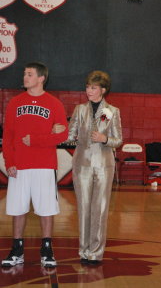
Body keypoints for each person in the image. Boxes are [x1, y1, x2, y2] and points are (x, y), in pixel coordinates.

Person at [1, 62, 68, 268]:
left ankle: (47, 250)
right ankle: (17, 250)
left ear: (41, 78)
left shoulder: (54, 103)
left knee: (46, 209)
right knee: (17, 209)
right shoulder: (15, 103)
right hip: (19, 165)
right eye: (24, 74)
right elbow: (8, 136)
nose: (25, 77)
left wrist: (37, 139)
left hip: (44, 165)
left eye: (29, 74)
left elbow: (63, 134)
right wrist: (9, 162)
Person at [67, 71, 123, 265]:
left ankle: (96, 252)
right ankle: (83, 250)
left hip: (104, 166)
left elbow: (118, 140)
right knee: (83, 208)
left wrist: (105, 139)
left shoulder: (111, 111)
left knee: (99, 209)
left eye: (93, 87)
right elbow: (70, 136)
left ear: (103, 90)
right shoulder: (79, 109)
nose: (88, 91)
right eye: (87, 87)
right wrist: (60, 131)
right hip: (81, 165)